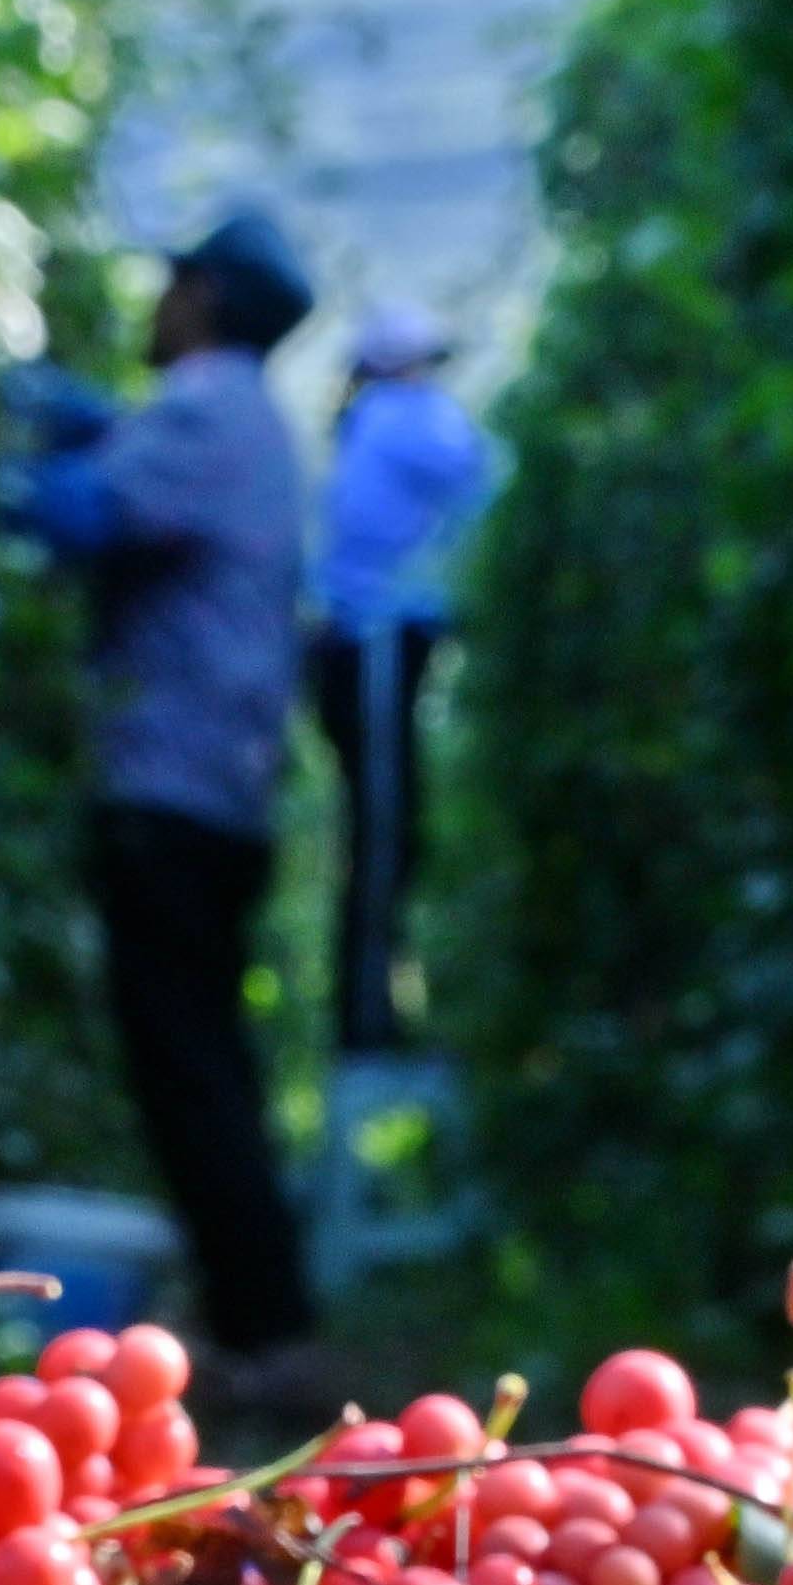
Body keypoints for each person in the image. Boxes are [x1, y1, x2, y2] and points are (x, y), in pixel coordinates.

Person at [5, 202, 314, 1354]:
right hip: (219, 793)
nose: (157, 301)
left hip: (168, 792)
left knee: (185, 1065)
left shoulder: (205, 405)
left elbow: (87, 515)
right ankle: (262, 1313)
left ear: (210, 301)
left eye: (174, 282)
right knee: (206, 1057)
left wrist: (11, 456)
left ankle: (260, 1326)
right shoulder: (245, 418)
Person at [303, 303, 490, 1056]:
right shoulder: (400, 418)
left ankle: (373, 1005)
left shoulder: (367, 424)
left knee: (385, 821)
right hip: (372, 643)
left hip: (367, 647)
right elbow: (484, 478)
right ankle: (366, 1023)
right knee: (382, 828)